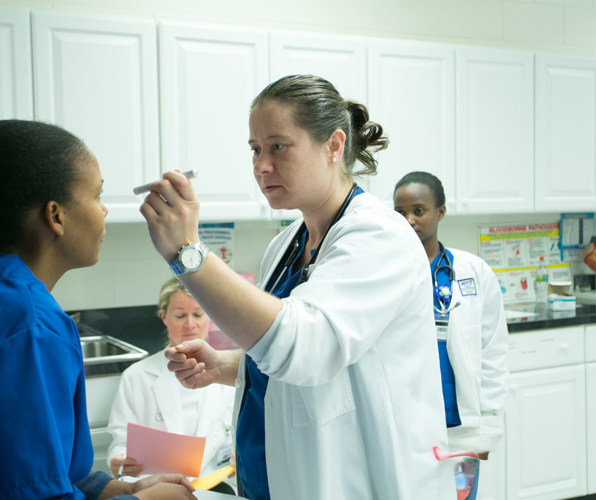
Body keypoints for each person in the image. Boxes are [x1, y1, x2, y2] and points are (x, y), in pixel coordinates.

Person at [139, 75, 451, 499]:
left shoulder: (381, 237)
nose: (260, 166)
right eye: (255, 149)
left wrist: (189, 254)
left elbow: (307, 347)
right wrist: (230, 366)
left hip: (362, 480)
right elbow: (292, 354)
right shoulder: (287, 243)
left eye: (278, 146)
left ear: (334, 147)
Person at [0, 120, 195, 500]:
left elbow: (32, 473)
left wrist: (119, 488)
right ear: (56, 215)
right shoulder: (26, 328)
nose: (104, 211)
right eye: (97, 195)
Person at [393, 172, 510, 498]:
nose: (409, 220)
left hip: (460, 424)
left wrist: (486, 427)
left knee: (460, 497)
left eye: (419, 210)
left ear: (440, 212)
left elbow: (493, 351)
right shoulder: (387, 273)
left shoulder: (474, 272)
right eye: (400, 212)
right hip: (406, 423)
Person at [106, 277, 236, 492]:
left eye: (198, 314)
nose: (190, 324)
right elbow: (120, 443)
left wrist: (238, 454)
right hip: (156, 490)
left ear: (208, 317)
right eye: (180, 315)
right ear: (164, 317)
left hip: (213, 487)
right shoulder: (136, 376)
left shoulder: (227, 373)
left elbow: (235, 435)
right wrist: (118, 460)